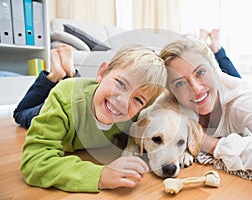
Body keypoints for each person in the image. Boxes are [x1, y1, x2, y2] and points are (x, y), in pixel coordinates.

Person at [19, 44, 168, 192]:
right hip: (57, 105)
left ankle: (71, 72)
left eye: (138, 100)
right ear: (102, 72)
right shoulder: (63, 100)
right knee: (20, 114)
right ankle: (55, 75)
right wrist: (100, 175)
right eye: (121, 84)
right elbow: (34, 161)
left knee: (97, 95)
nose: (123, 101)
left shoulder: (133, 116)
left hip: (92, 95)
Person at [159, 32, 252, 183]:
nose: (196, 88)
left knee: (235, 76)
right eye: (180, 83)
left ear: (214, 68)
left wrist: (208, 143)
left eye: (201, 72)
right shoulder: (169, 103)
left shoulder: (241, 99)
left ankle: (215, 45)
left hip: (227, 85)